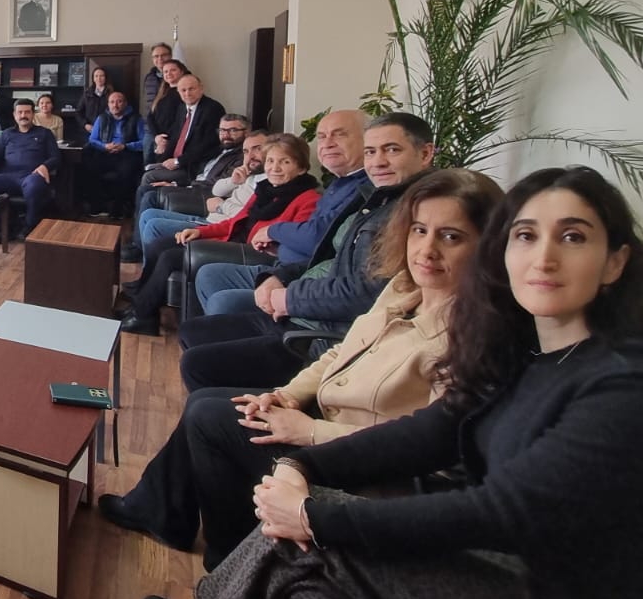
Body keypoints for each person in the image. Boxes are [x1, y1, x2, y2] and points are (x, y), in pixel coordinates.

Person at [144, 166, 643, 599]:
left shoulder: (620, 383)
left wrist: (314, 515)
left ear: (615, 261)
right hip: (514, 577)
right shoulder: (525, 354)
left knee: (318, 542)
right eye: (526, 235)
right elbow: (434, 430)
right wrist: (305, 467)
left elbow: (505, 512)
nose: (544, 258)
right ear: (503, 250)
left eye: (572, 237)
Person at [104, 168, 501, 574]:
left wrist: (308, 430)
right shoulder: (405, 287)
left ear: (488, 244)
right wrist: (287, 395)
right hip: (324, 416)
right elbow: (342, 352)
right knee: (209, 403)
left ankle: (225, 566)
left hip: (363, 464)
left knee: (210, 418)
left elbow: (427, 451)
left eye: (451, 237)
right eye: (419, 230)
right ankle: (174, 521)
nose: (427, 250)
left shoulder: (474, 337)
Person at [179, 114, 436, 392]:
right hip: (300, 307)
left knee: (198, 364)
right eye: (371, 152)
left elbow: (364, 294)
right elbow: (325, 257)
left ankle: (242, 411)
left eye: (392, 150)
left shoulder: (415, 214)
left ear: (425, 154)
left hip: (321, 336)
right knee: (192, 332)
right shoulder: (372, 198)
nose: (378, 162)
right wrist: (278, 277)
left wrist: (289, 297)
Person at [119, 135, 320, 337]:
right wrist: (200, 231)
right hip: (233, 242)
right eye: (270, 161)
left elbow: (294, 242)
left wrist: (272, 240)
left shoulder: (309, 199)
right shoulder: (265, 189)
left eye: (285, 162)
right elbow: (234, 223)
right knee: (160, 244)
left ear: (301, 167)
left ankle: (143, 316)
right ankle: (141, 304)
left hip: (252, 254)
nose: (274, 168)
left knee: (170, 257)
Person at [187, 109, 370, 313]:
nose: (327, 143)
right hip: (283, 264)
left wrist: (273, 232)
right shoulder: (337, 184)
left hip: (301, 278)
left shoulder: (358, 190)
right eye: (322, 136)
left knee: (222, 300)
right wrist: (202, 230)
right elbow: (238, 218)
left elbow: (316, 238)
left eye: (339, 134)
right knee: (208, 275)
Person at [132, 129, 268, 271]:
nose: (250, 156)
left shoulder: (266, 183)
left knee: (154, 224)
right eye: (246, 151)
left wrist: (221, 206)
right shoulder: (250, 175)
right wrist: (234, 181)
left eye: (257, 149)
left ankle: (146, 270)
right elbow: (217, 190)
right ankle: (145, 265)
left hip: (217, 226)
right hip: (211, 216)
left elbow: (245, 216)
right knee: (149, 214)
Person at [128, 106, 249, 242]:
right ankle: (136, 239)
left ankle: (137, 244)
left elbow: (218, 186)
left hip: (205, 195)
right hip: (194, 186)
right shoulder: (218, 149)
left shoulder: (242, 157)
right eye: (222, 130)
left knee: (150, 197)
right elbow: (199, 174)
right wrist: (175, 183)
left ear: (246, 132)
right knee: (146, 188)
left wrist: (180, 186)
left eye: (233, 130)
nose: (226, 135)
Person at [0, 98, 60, 237]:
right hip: (9, 176)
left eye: (27, 112)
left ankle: (30, 226)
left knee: (33, 185)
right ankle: (6, 225)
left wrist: (45, 166)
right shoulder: (7, 134)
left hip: (32, 175)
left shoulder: (45, 133)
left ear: (33, 114)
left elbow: (56, 157)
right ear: (14, 115)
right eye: (20, 112)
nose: (23, 115)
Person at [82, 90, 143, 216]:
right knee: (90, 169)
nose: (115, 105)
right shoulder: (102, 118)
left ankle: (118, 209)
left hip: (127, 153)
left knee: (126, 173)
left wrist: (125, 146)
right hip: (106, 152)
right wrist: (105, 146)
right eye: (112, 102)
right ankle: (98, 207)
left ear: (125, 103)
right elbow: (92, 140)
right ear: (108, 104)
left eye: (119, 102)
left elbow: (144, 142)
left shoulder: (136, 118)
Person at [143, 58, 191, 163]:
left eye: (173, 70)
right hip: (157, 139)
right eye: (165, 71)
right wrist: (156, 136)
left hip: (172, 142)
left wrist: (165, 141)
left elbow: (181, 121)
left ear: (181, 72)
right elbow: (150, 116)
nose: (168, 74)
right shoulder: (161, 93)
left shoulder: (185, 95)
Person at [141, 43, 173, 113]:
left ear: (170, 56)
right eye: (156, 56)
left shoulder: (180, 76)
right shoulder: (149, 78)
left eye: (164, 55)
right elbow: (148, 103)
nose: (160, 58)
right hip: (152, 117)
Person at [78, 66, 112, 133]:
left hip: (107, 130)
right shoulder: (87, 93)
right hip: (90, 130)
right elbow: (78, 112)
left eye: (101, 76)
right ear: (93, 79)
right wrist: (85, 124)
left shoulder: (111, 93)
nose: (99, 78)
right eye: (96, 76)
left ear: (105, 78)